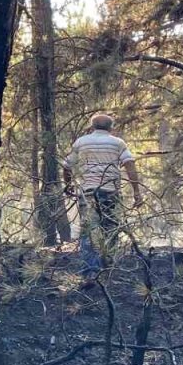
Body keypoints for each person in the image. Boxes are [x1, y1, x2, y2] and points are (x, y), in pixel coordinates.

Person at [62, 113, 141, 272]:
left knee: (88, 231)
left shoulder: (81, 142)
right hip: (111, 192)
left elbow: (67, 165)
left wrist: (68, 184)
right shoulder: (118, 143)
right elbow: (130, 165)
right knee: (111, 229)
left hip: (88, 193)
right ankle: (108, 266)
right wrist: (136, 192)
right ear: (111, 128)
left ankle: (90, 270)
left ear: (92, 127)